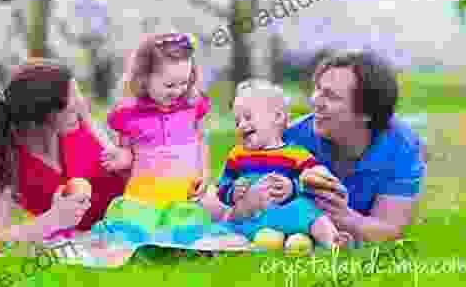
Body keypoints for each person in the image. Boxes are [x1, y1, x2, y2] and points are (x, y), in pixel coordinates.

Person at [281, 49, 427, 242]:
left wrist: (345, 217)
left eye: (330, 96)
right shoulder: (291, 140)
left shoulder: (401, 147)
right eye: (317, 89)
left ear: (367, 111)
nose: (315, 101)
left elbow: (389, 230)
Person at [0, 59, 127, 242]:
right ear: (42, 114)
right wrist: (52, 220)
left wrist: (125, 158)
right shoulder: (10, 160)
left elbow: (135, 174)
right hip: (96, 244)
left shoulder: (81, 126)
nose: (80, 104)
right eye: (70, 99)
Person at [199, 79, 352, 249]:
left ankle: (334, 241)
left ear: (278, 117)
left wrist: (292, 188)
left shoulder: (296, 154)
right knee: (225, 227)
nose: (242, 125)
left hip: (284, 215)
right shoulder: (237, 155)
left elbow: (312, 183)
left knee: (309, 212)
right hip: (249, 217)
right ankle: (213, 246)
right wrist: (232, 191)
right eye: (237, 121)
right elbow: (222, 187)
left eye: (248, 117)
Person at [96, 32, 214, 244]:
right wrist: (123, 159)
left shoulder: (192, 106)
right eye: (170, 85)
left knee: (188, 230)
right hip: (144, 196)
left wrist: (205, 172)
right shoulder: (129, 115)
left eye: (184, 83)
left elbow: (201, 140)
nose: (178, 91)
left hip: (183, 194)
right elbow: (127, 152)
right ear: (143, 78)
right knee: (134, 231)